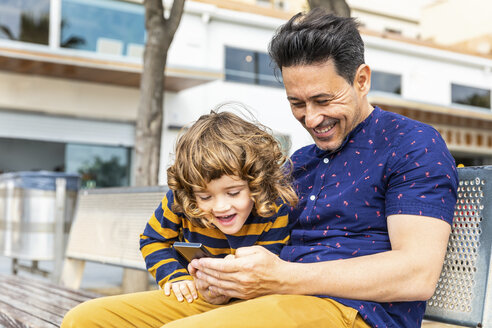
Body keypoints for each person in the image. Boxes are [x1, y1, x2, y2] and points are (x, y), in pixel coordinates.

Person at [183, 9, 459, 328]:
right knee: (112, 317)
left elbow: (417, 274)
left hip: (355, 313)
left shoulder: (411, 144)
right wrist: (225, 282)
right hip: (272, 303)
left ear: (362, 80)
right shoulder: (299, 162)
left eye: (323, 100)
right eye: (297, 104)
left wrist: (283, 278)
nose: (311, 119)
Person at [61, 108, 298, 327]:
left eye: (234, 193)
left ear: (256, 182)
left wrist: (228, 285)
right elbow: (153, 240)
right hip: (197, 297)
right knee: (79, 319)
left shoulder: (273, 208)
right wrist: (175, 277)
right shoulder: (180, 200)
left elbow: (266, 274)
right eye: (205, 197)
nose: (220, 207)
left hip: (248, 305)